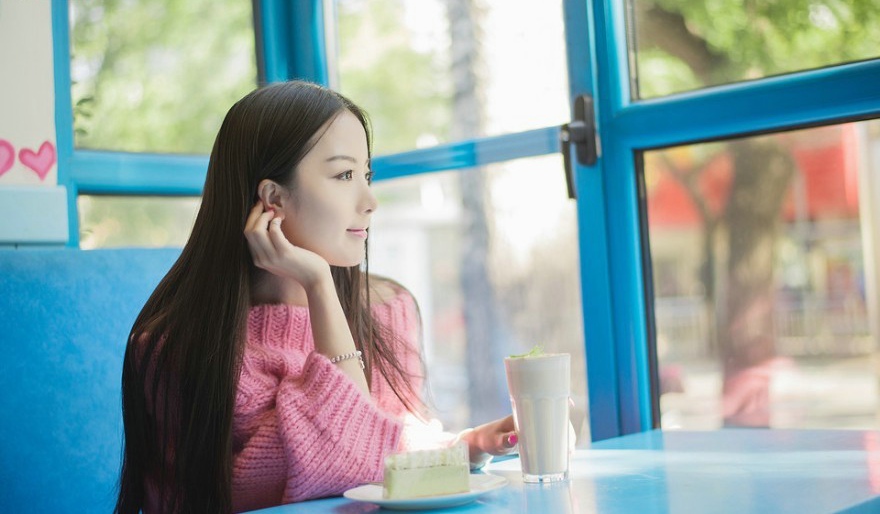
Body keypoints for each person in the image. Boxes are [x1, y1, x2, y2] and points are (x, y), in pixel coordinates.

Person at [115, 80, 516, 514]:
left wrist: (467, 445)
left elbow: (388, 452)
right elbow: (344, 462)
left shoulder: (387, 309)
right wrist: (319, 286)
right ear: (272, 198)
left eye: (367, 175)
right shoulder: (175, 348)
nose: (370, 201)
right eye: (344, 175)